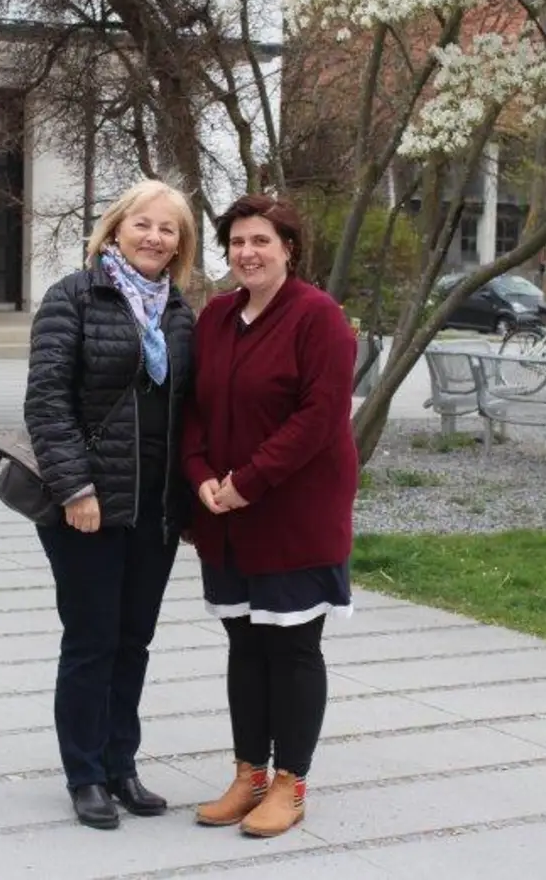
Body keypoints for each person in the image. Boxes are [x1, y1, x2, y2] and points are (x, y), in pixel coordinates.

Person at [180, 193, 359, 838]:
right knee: (244, 644)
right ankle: (249, 772)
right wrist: (201, 477)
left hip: (292, 513)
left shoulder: (320, 319)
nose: (247, 253)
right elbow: (194, 405)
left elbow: (318, 419)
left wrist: (247, 484)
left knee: (291, 645)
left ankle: (290, 782)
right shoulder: (218, 317)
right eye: (236, 243)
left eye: (261, 241)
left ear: (289, 248)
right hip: (224, 515)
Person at [23, 178, 199, 830]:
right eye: (143, 224)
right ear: (115, 228)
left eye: (168, 229)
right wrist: (76, 489)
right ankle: (86, 774)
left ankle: (122, 764)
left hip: (154, 509)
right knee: (93, 641)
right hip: (88, 508)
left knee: (134, 641)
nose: (154, 237)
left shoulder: (178, 312)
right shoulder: (74, 297)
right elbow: (46, 402)